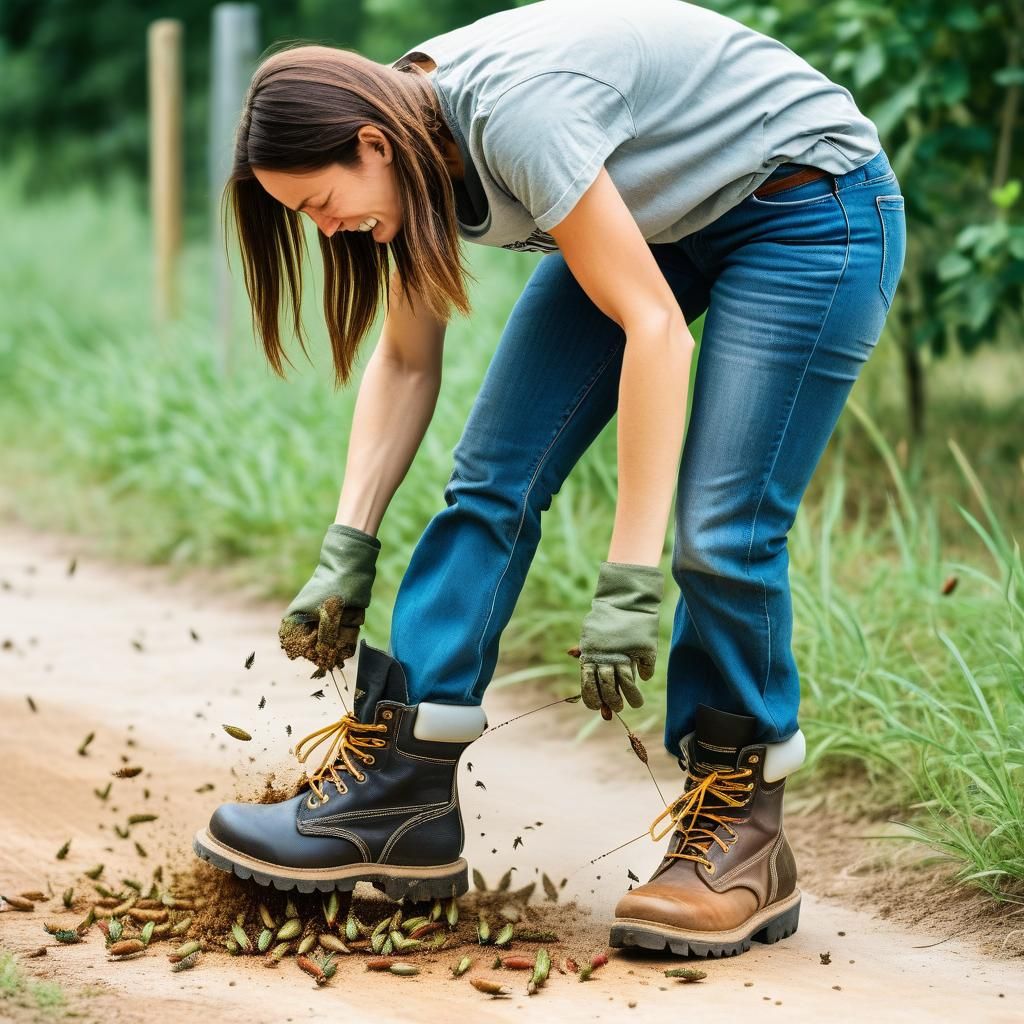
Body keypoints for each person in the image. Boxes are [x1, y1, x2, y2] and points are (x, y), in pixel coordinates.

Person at [192, 0, 906, 959]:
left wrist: (628, 581)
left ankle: (743, 833)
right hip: (658, 208)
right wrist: (345, 543)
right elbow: (406, 362)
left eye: (321, 204)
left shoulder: (515, 119)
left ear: (371, 143)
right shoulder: (408, 146)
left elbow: (654, 330)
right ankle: (401, 792)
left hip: (807, 208)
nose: (327, 232)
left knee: (721, 535)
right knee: (492, 478)